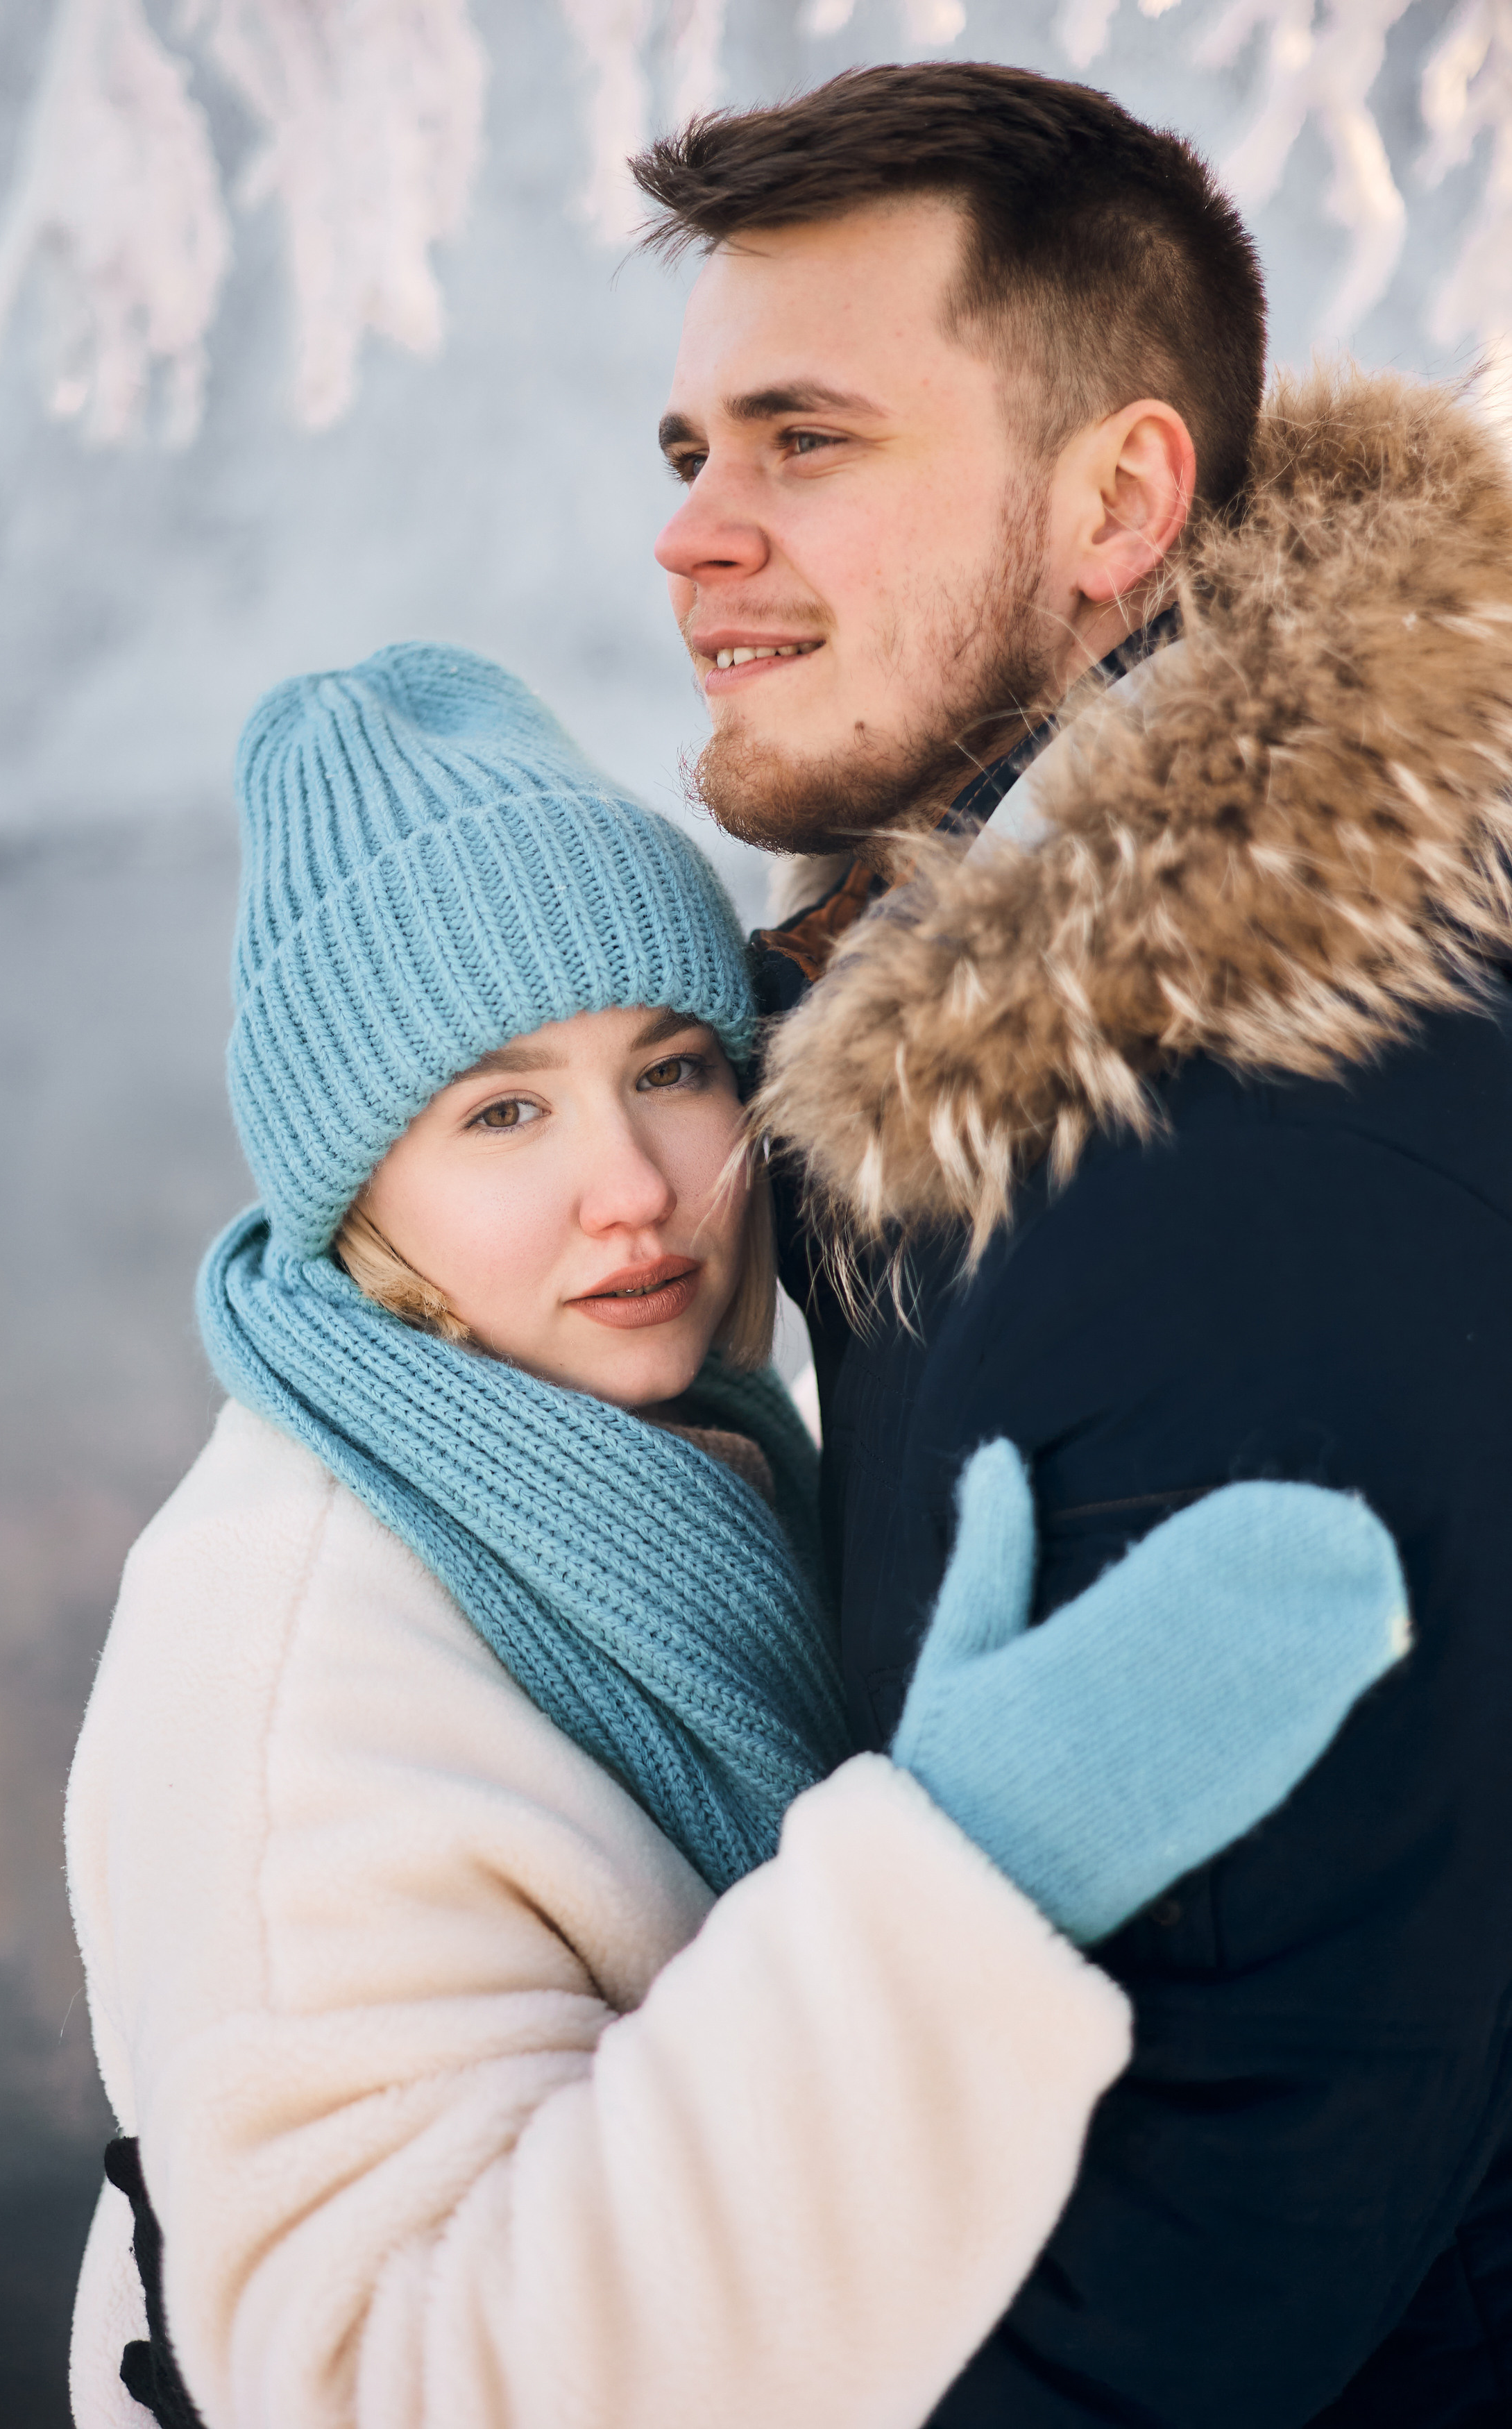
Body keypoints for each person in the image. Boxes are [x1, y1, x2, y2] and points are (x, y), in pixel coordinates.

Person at [65, 643, 1405, 2429]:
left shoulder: (669, 1452)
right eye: (504, 1110)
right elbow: (377, 2388)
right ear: (350, 1187)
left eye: (674, 1067)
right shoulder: (289, 1661)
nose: (630, 1185)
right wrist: (966, 1876)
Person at [636, 58, 1512, 2427]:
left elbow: (1217, 2209)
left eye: (803, 442)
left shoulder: (1237, 1138)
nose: (694, 534)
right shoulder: (1057, 1041)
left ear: (1120, 498)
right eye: (686, 454)